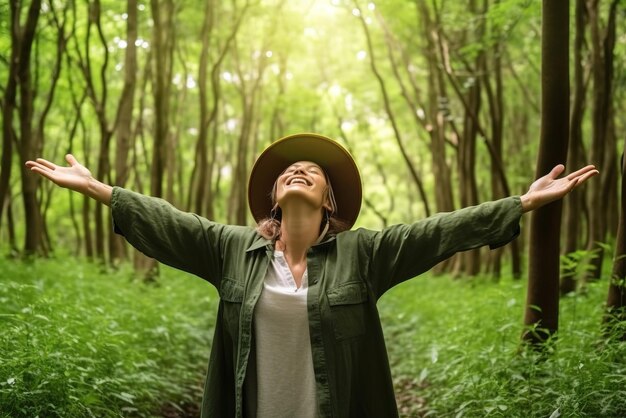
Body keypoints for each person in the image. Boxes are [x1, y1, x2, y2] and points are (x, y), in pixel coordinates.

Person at [26, 133, 598, 418]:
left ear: (329, 201)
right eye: (288, 172)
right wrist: (101, 189)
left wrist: (521, 203)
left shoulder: (364, 254)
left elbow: (438, 231)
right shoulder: (233, 249)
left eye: (312, 171)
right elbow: (171, 223)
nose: (297, 171)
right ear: (275, 197)